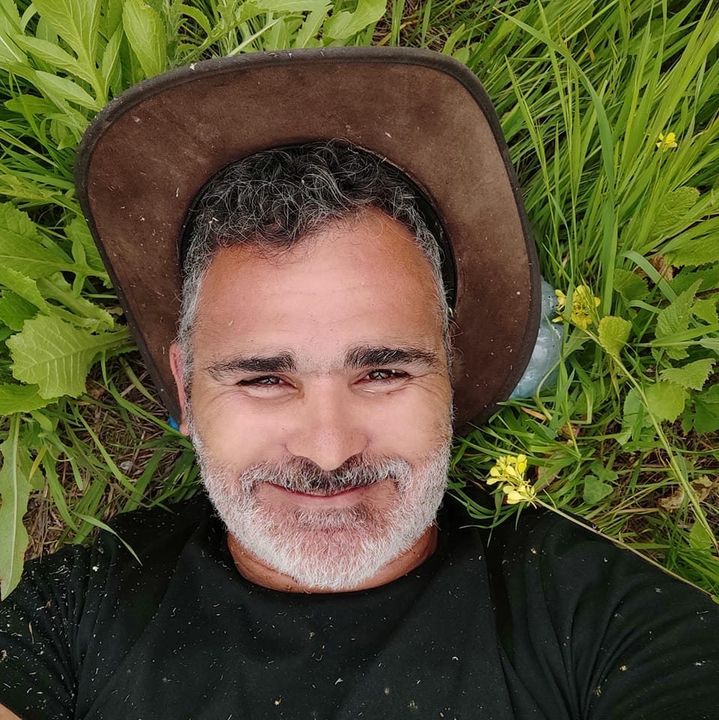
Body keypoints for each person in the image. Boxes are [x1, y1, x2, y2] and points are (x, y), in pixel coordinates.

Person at [1, 49, 717, 720]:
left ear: (450, 375)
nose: (329, 450)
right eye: (263, 378)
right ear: (185, 393)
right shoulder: (73, 609)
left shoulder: (603, 622)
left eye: (382, 372)